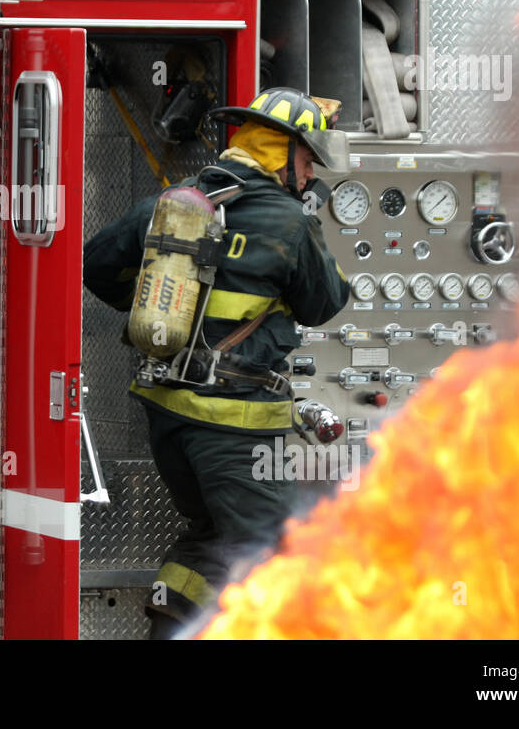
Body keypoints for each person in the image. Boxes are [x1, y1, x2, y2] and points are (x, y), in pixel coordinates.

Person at [83, 87, 351, 638]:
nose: (306, 174)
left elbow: (96, 264)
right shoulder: (288, 221)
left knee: (211, 532)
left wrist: (154, 304)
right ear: (281, 151)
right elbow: (324, 303)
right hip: (236, 426)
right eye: (305, 160)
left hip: (168, 417)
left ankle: (170, 623)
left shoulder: (179, 199)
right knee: (273, 550)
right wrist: (309, 222)